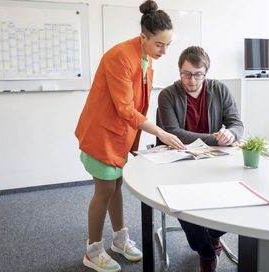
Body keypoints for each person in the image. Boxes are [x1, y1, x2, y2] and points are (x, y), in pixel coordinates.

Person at [75, 1, 185, 271]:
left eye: (168, 44)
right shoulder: (120, 57)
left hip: (122, 133)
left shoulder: (145, 56)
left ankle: (119, 239)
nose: (164, 51)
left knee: (116, 186)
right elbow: (125, 108)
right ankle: (93, 251)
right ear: (143, 36)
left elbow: (137, 103)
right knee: (104, 190)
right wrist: (160, 132)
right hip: (102, 132)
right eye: (160, 44)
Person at [157, 46, 244, 272]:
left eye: (198, 74)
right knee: (184, 209)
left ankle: (213, 234)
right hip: (178, 162)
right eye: (186, 73)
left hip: (214, 161)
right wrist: (216, 138)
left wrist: (231, 133)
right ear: (179, 71)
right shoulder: (167, 94)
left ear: (206, 72)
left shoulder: (219, 89)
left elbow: (236, 123)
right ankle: (206, 253)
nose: (192, 80)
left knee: (239, 202)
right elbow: (174, 132)